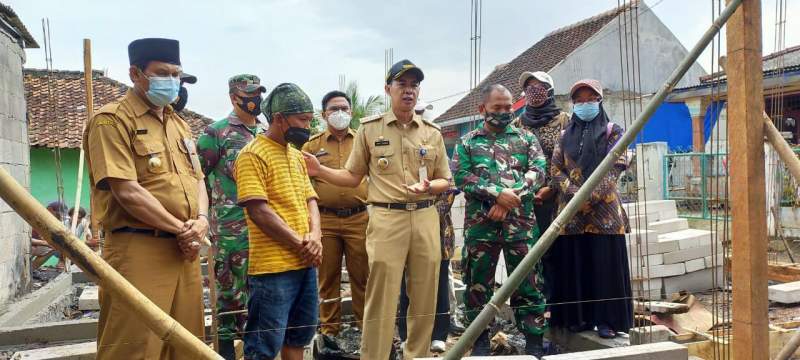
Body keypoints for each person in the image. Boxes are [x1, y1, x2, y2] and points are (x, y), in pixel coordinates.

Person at [304, 59, 452, 360]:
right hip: (387, 217)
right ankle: (375, 355)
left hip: (425, 215)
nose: (408, 91)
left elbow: (445, 180)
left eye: (414, 85)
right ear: (388, 89)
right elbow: (352, 177)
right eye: (402, 85)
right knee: (381, 296)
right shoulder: (370, 130)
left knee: (424, 296)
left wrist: (429, 188)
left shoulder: (432, 132)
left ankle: (417, 355)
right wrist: (319, 170)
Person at [83, 38, 208, 359]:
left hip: (185, 251)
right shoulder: (111, 121)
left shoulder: (179, 124)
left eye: (176, 74)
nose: (172, 81)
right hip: (138, 248)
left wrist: (202, 222)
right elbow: (127, 190)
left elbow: (198, 181)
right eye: (162, 73)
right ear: (135, 74)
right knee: (135, 346)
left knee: (188, 346)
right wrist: (182, 229)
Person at [452, 84, 548, 356]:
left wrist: (509, 199)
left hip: (521, 226)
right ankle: (480, 341)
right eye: (497, 108)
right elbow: (462, 177)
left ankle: (534, 344)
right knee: (477, 286)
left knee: (528, 283)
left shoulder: (527, 139)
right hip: (482, 228)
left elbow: (539, 171)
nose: (504, 112)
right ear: (483, 109)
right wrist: (496, 195)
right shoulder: (467, 142)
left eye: (508, 107)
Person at [235, 83, 322, 360]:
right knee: (263, 346)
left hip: (305, 263)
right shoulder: (252, 154)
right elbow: (258, 211)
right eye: (303, 120)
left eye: (310, 120)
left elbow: (311, 200)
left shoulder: (296, 156)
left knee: (298, 337)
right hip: (273, 269)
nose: (307, 127)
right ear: (279, 119)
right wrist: (301, 243)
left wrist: (316, 237)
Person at [549, 79, 633, 339]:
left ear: (600, 101)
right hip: (571, 214)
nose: (585, 104)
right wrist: (574, 195)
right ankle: (579, 319)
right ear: (573, 104)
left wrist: (590, 197)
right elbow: (555, 169)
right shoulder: (564, 136)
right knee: (576, 264)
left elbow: (617, 165)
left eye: (590, 99)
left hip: (604, 213)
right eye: (579, 100)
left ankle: (608, 321)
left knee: (605, 266)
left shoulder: (613, 131)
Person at [197, 74, 267, 359]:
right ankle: (224, 353)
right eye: (248, 95)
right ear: (233, 97)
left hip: (265, 227)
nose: (255, 100)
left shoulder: (265, 133)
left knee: (262, 293)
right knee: (229, 295)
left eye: (258, 94)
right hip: (231, 229)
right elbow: (196, 176)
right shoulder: (216, 133)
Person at [301, 90, 369, 352]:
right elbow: (303, 183)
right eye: (333, 109)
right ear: (323, 114)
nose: (339, 113)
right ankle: (330, 331)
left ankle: (365, 326)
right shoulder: (311, 146)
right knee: (326, 277)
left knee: (362, 275)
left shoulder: (363, 141)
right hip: (325, 219)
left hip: (358, 219)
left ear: (351, 112)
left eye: (344, 108)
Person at [515, 71, 570, 304]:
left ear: (549, 91)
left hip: (557, 197)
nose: (534, 92)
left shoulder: (565, 121)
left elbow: (571, 159)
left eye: (539, 87)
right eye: (529, 88)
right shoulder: (518, 123)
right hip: (526, 198)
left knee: (557, 249)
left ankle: (558, 304)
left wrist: (551, 187)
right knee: (531, 250)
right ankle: (536, 303)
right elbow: (514, 161)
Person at [397, 182, 459, 354]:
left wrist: (422, 214)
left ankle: (438, 335)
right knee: (406, 284)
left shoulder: (439, 160)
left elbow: (449, 194)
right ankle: (406, 335)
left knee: (439, 284)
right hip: (406, 229)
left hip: (439, 233)